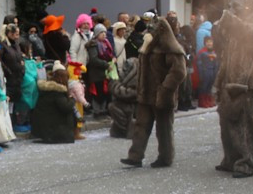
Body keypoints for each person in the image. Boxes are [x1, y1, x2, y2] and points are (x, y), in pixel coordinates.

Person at [120, 16, 187, 169]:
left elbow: (179, 72)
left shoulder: (171, 48)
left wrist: (165, 89)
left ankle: (166, 157)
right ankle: (135, 156)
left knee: (163, 129)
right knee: (141, 126)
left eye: (153, 28)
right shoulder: (148, 46)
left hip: (162, 96)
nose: (149, 31)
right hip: (146, 95)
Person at [213, 0, 253, 178]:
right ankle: (230, 159)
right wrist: (218, 82)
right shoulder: (235, 30)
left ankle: (246, 163)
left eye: (236, 5)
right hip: (229, 82)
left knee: (246, 125)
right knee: (227, 122)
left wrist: (230, 17)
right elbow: (225, 59)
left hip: (245, 83)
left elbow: (249, 32)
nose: (232, 7)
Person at [30, 61, 76, 144]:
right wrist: (73, 99)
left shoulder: (49, 88)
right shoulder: (57, 91)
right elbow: (66, 107)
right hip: (53, 130)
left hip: (45, 128)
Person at [85, 23, 114, 118]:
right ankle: (97, 111)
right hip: (96, 74)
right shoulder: (93, 45)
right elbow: (93, 59)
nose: (104, 35)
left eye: (105, 32)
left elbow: (109, 55)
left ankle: (103, 110)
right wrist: (106, 65)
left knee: (104, 92)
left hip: (105, 73)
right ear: (97, 34)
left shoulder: (106, 44)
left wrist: (113, 59)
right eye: (102, 33)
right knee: (97, 93)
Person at [195, 35, 219, 108]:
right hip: (205, 72)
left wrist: (216, 72)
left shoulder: (214, 52)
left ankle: (208, 100)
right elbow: (199, 64)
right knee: (204, 87)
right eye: (208, 42)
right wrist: (201, 74)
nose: (209, 43)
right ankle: (202, 101)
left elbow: (216, 63)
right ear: (205, 43)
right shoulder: (201, 52)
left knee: (209, 87)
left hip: (212, 72)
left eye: (211, 42)